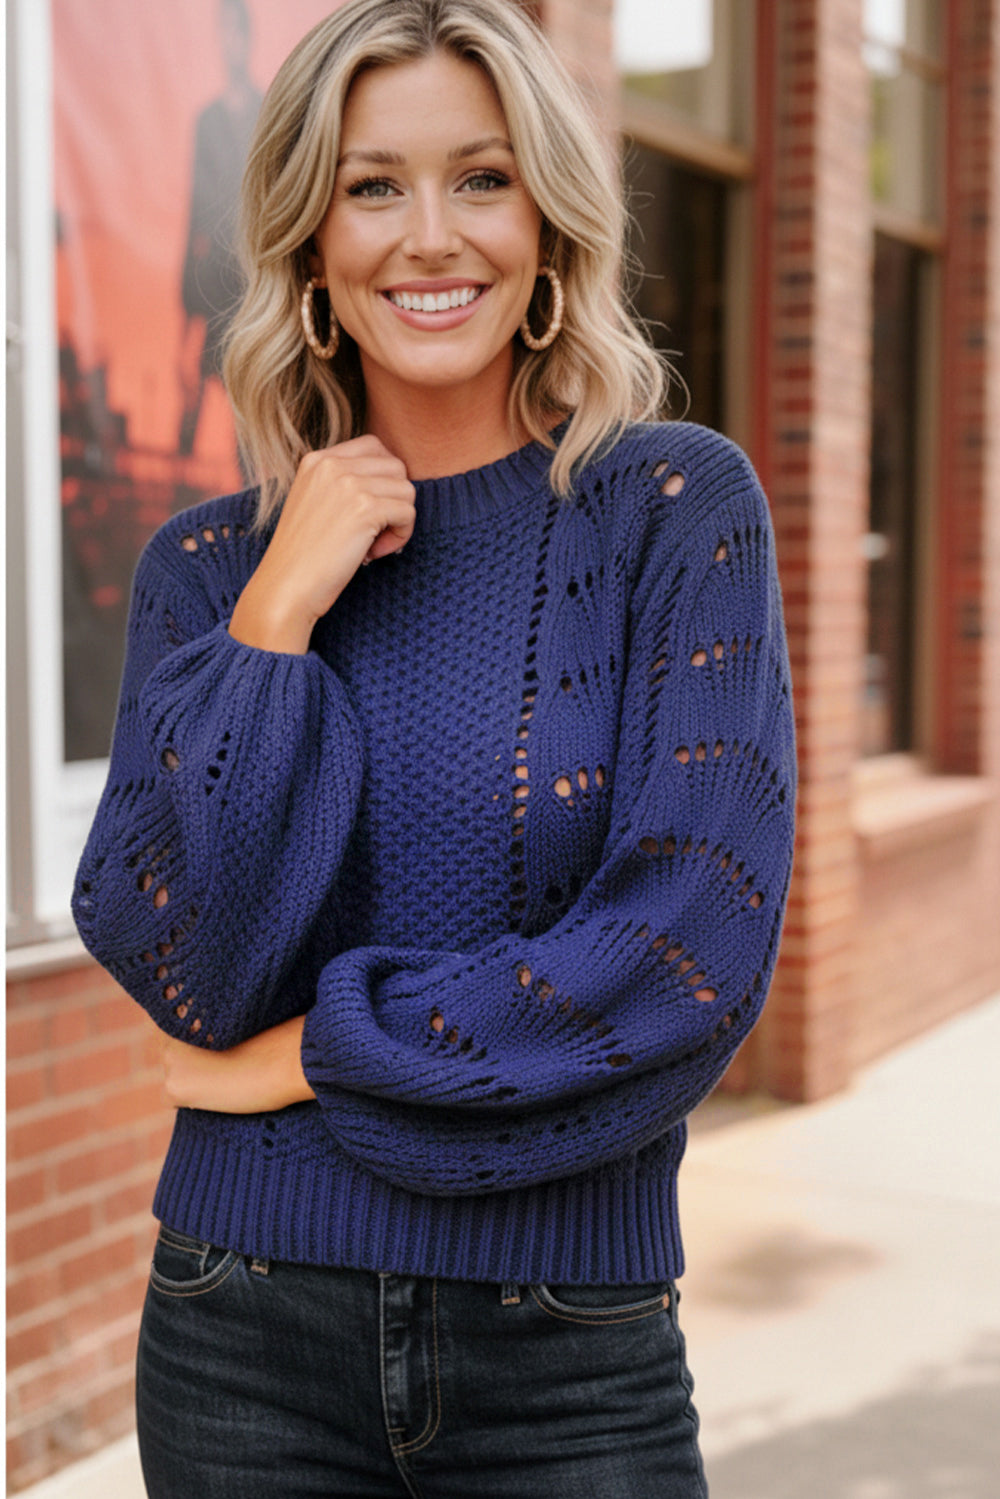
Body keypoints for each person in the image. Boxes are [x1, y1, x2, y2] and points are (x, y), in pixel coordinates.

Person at [73, 1, 797, 1494]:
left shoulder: (672, 513)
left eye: (480, 178)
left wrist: (309, 1057)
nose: (429, 236)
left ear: (547, 226)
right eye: (372, 185)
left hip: (568, 1352)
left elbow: (685, 952)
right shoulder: (208, 572)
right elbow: (183, 961)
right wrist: (277, 615)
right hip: (239, 1333)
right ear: (309, 245)